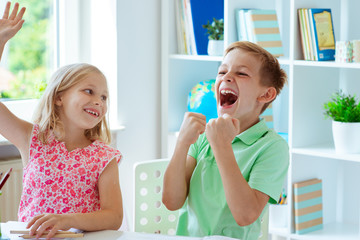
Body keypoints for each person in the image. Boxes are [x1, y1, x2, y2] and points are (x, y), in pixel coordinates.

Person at [0, 2, 123, 239]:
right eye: (89, 91)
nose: (99, 101)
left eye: (104, 97)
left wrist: (67, 220)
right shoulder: (32, 139)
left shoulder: (104, 157)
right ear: (59, 98)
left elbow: (114, 217)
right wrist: (1, 42)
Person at [162, 41, 289, 240]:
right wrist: (182, 144)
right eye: (222, 72)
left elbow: (246, 215)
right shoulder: (204, 136)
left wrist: (221, 146)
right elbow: (171, 201)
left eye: (242, 73)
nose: (227, 77)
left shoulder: (272, 147)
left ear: (266, 94)